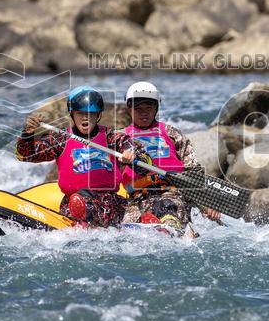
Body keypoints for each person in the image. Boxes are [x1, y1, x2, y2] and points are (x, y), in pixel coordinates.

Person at [15, 86, 151, 227]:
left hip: (110, 202)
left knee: (139, 210)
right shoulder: (60, 139)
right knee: (83, 200)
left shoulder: (112, 137)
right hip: (76, 202)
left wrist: (132, 154)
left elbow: (140, 158)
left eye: (90, 113)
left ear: (98, 115)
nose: (85, 117)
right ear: (72, 115)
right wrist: (27, 133)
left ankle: (148, 224)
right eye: (80, 113)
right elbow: (26, 155)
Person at [120, 81, 221, 236]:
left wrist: (206, 204)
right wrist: (122, 160)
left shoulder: (172, 134)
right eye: (138, 109)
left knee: (167, 208)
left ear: (156, 108)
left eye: (149, 108)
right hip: (137, 198)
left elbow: (193, 172)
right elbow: (107, 174)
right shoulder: (120, 139)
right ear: (129, 109)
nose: (144, 113)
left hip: (172, 194)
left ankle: (172, 227)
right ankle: (152, 223)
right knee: (126, 230)